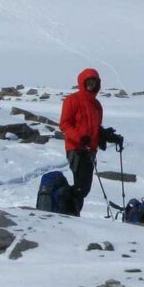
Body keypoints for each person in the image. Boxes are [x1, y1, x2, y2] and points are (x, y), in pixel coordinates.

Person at [59, 67, 123, 214]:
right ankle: (67, 211)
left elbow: (95, 128)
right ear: (82, 82)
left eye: (94, 82)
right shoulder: (72, 100)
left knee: (84, 187)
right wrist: (80, 137)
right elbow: (65, 124)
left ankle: (71, 212)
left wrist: (108, 136)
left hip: (90, 150)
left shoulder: (97, 105)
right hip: (75, 148)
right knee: (81, 186)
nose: (91, 85)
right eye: (89, 81)